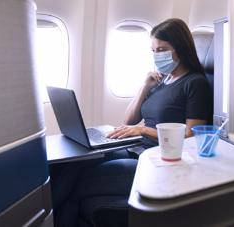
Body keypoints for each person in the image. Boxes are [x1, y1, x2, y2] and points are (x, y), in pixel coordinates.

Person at [54, 18, 213, 227]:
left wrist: (144, 130)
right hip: (136, 150)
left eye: (162, 49)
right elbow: (129, 120)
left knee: (79, 183)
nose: (157, 56)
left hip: (156, 162)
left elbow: (191, 136)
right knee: (73, 164)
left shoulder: (195, 83)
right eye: (153, 50)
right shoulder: (162, 80)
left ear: (181, 48)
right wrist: (144, 87)